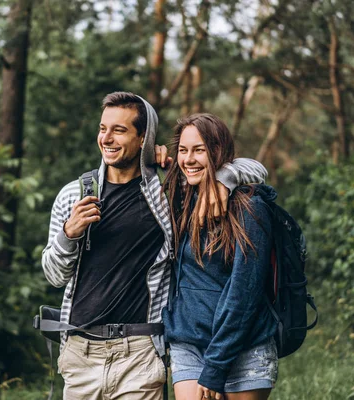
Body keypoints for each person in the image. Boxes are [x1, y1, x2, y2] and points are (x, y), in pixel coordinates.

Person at [41, 92, 268, 400]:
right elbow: (54, 276)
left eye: (119, 130)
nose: (106, 138)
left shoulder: (167, 190)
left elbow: (256, 169)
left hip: (140, 352)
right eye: (102, 128)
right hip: (80, 352)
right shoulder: (74, 195)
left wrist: (223, 177)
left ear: (143, 138)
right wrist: (69, 233)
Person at [162, 113, 278, 400]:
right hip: (188, 342)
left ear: (218, 153)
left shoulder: (249, 208)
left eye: (199, 150)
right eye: (183, 150)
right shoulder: (181, 197)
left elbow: (244, 294)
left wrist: (215, 366)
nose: (188, 159)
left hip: (245, 346)